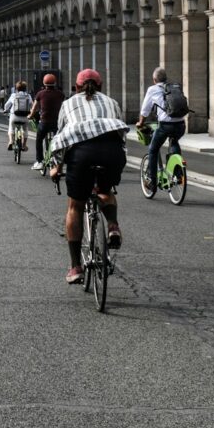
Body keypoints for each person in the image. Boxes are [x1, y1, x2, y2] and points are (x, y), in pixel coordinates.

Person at [48, 69, 129, 284]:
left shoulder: (69, 104)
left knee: (75, 206)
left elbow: (63, 136)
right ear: (100, 86)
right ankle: (112, 225)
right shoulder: (112, 102)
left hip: (82, 154)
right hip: (112, 152)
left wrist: (56, 167)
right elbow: (120, 131)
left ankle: (75, 267)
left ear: (76, 87)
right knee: (105, 190)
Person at [136, 67, 188, 192]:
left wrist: (140, 122)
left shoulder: (152, 89)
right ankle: (178, 174)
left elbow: (145, 109)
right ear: (166, 78)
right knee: (174, 141)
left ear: (154, 79)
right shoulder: (175, 87)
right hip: (181, 124)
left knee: (153, 150)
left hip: (165, 125)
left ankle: (153, 183)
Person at [28, 73, 64, 170]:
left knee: (39, 140)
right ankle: (59, 160)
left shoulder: (40, 93)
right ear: (55, 83)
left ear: (44, 83)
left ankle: (39, 161)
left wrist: (30, 116)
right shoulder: (60, 94)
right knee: (59, 140)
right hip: (57, 123)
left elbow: (34, 108)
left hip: (44, 122)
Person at [4, 80, 34, 150]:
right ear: (25, 88)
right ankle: (24, 145)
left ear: (16, 88)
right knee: (25, 129)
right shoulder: (28, 95)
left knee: (11, 128)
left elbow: (7, 105)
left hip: (14, 116)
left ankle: (11, 141)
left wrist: (5, 110)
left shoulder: (13, 95)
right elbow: (32, 105)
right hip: (25, 117)